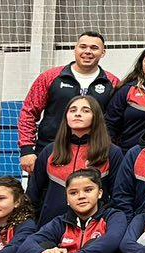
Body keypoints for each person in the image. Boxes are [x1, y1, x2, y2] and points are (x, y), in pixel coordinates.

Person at [18, 31, 118, 174]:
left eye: (94, 48)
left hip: (93, 156)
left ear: (103, 53)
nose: (88, 51)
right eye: (83, 47)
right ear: (75, 49)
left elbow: (116, 121)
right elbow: (29, 112)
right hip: (50, 150)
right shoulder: (50, 77)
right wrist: (27, 149)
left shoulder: (112, 82)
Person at [27, 96, 124, 224]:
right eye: (72, 110)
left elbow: (119, 198)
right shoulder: (49, 151)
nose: (77, 114)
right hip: (50, 228)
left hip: (95, 229)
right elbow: (32, 197)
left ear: (96, 117)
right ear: (66, 116)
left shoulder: (112, 152)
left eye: (85, 110)